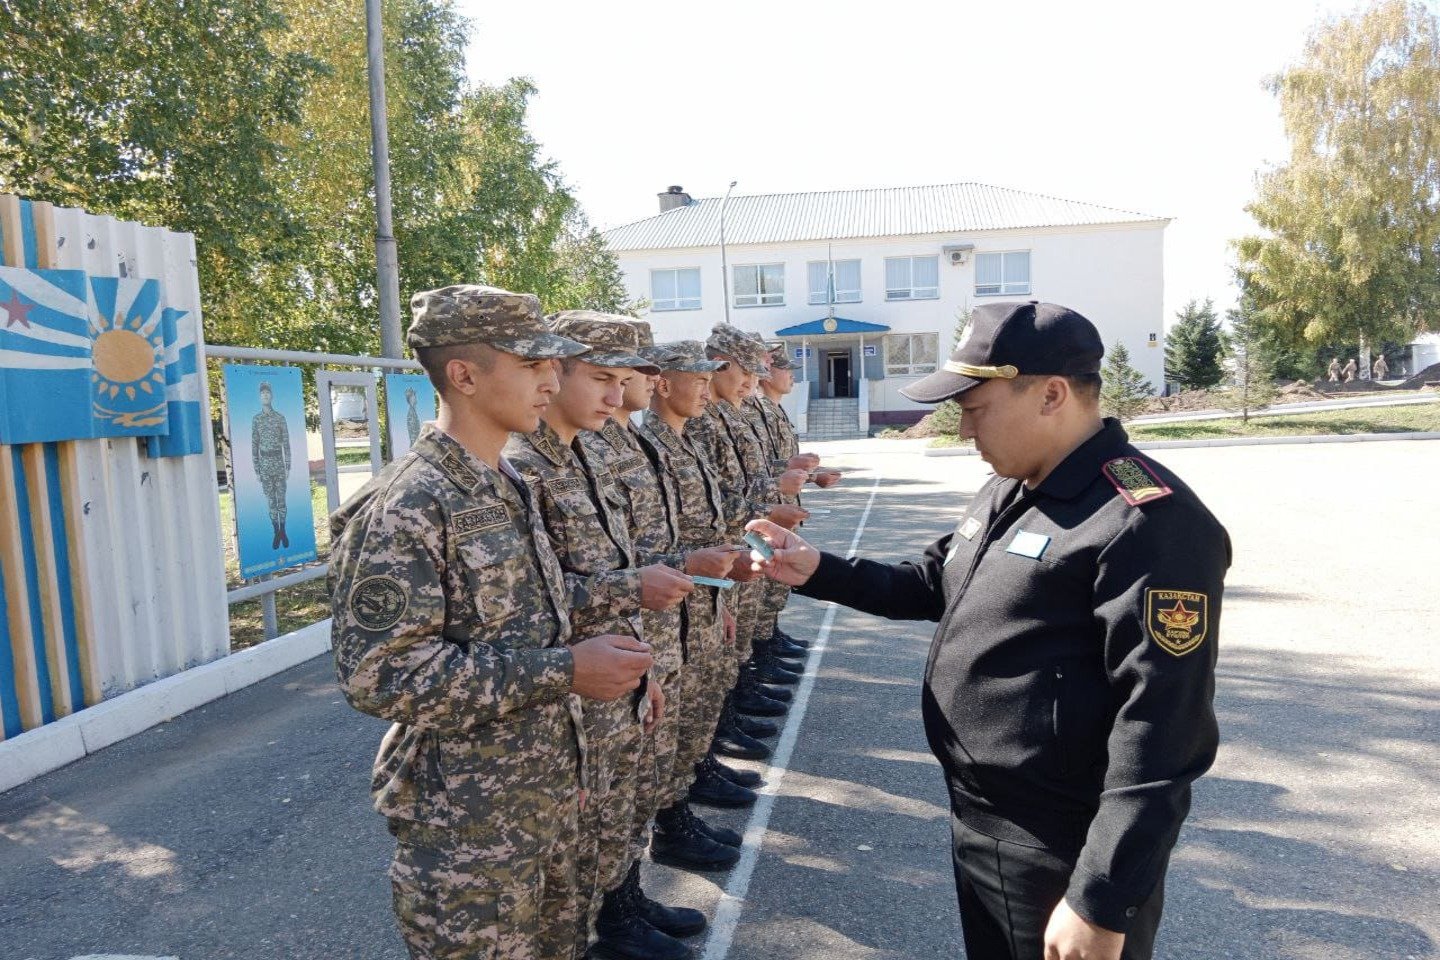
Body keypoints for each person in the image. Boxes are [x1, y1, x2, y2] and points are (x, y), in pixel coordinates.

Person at [746, 300, 1231, 960]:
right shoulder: (1018, 484)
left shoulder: (1144, 522)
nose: (963, 426)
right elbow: (936, 581)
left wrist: (1101, 896)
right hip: (981, 818)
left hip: (1060, 844)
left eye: (976, 408)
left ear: (1051, 395)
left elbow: (1163, 728)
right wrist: (818, 570)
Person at [328, 284, 654, 960]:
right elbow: (382, 676)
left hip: (546, 800)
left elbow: (529, 614)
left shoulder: (505, 482)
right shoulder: (408, 504)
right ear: (465, 375)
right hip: (468, 830)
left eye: (552, 364)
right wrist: (567, 669)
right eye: (532, 365)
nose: (551, 380)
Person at [504, 311, 694, 960]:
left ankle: (620, 911)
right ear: (557, 373)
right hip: (571, 696)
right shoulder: (523, 468)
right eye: (603, 379)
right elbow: (534, 605)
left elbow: (614, 564)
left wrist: (649, 673)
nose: (619, 397)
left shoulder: (585, 454)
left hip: (617, 678)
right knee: (575, 849)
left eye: (627, 380)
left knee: (616, 818)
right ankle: (607, 928)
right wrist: (629, 594)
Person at [640, 340, 761, 852]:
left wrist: (724, 597)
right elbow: (652, 547)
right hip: (671, 610)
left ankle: (685, 798)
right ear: (663, 385)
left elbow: (706, 523)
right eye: (697, 379)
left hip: (702, 599)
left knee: (694, 713)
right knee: (661, 736)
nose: (707, 390)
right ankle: (671, 824)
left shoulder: (683, 440)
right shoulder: (650, 445)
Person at [251, 380, 292, 549]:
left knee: (281, 500)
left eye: (267, 393)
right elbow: (254, 445)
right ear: (260, 397)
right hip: (265, 464)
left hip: (278, 463)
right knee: (270, 501)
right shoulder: (256, 420)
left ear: (272, 396)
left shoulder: (280, 418)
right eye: (262, 393)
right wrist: (257, 469)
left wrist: (288, 465)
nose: (265, 395)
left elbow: (286, 443)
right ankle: (277, 532)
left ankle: (283, 530)